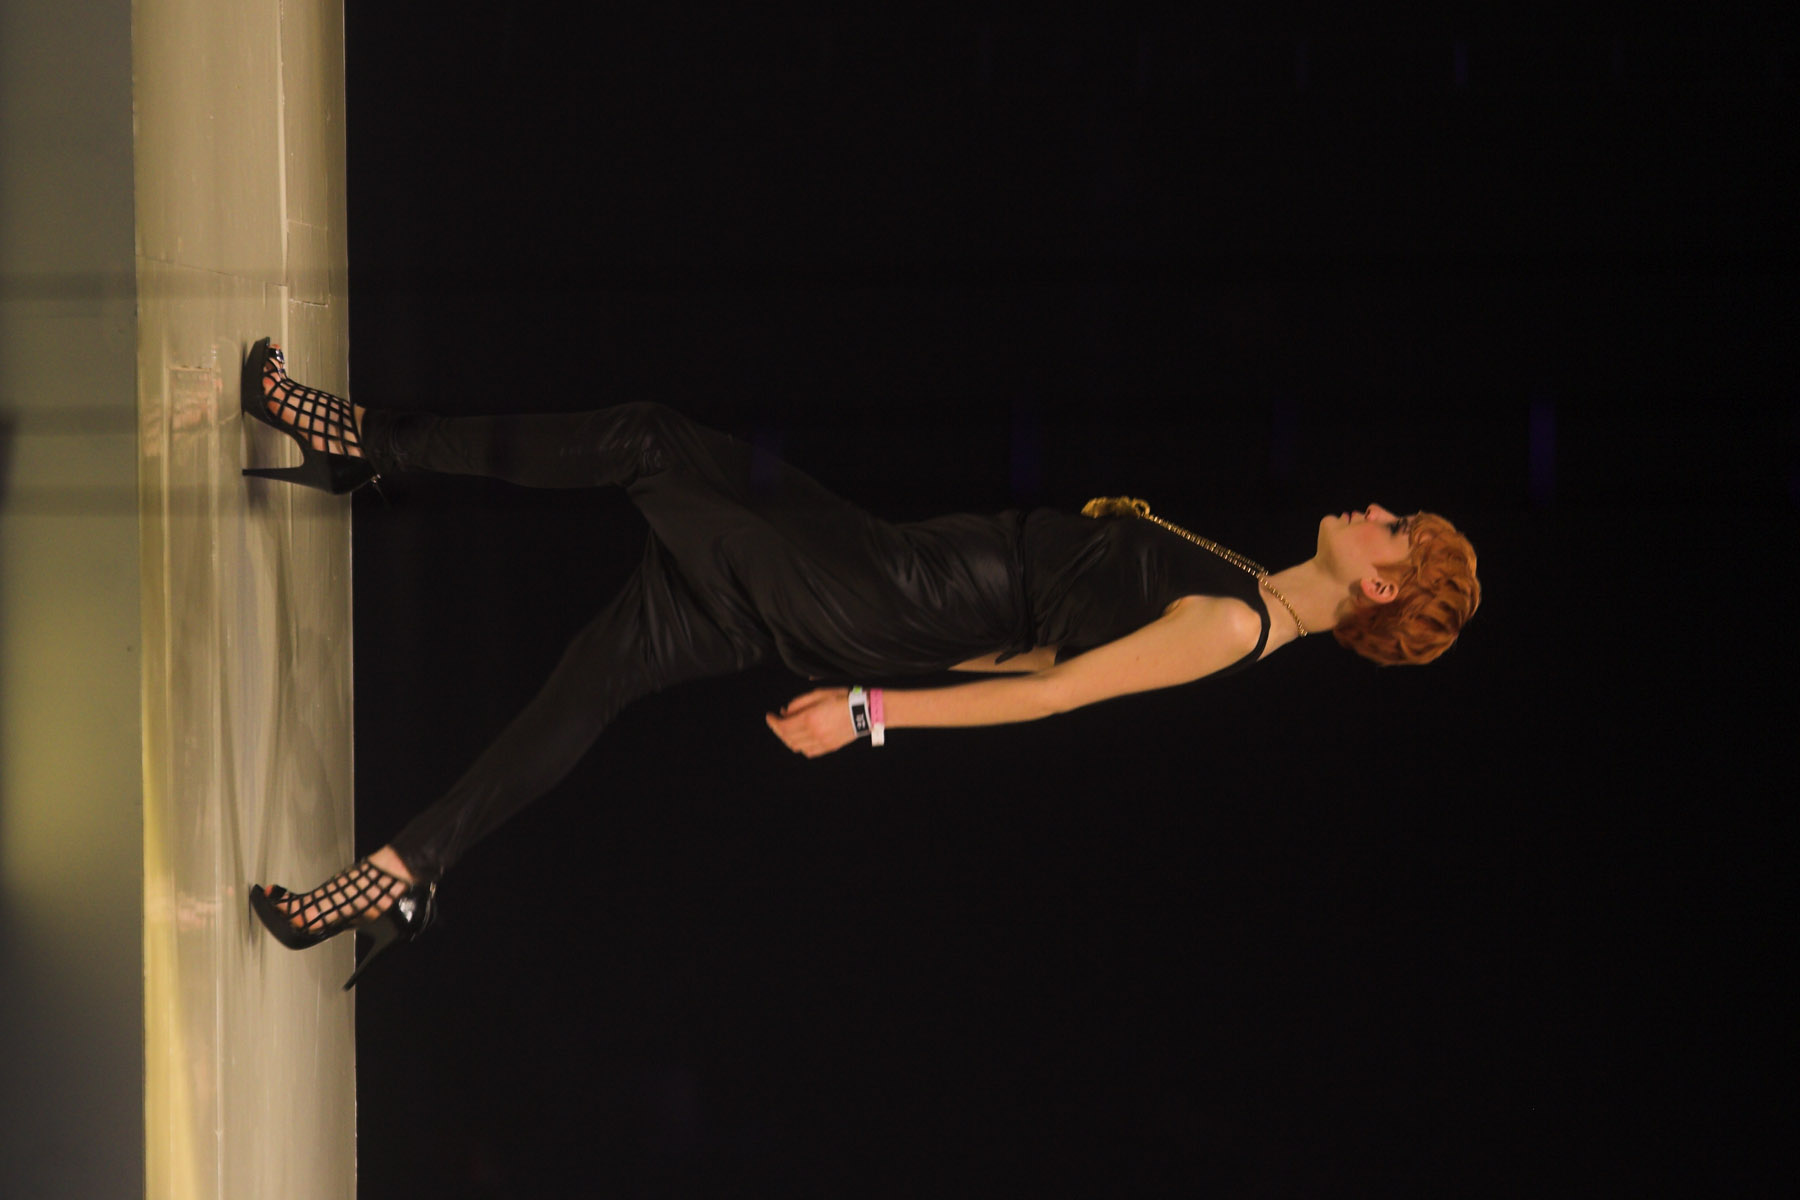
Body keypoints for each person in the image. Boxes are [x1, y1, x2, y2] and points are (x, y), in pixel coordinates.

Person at [239, 339, 1482, 988]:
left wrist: (868, 708)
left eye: (1396, 528)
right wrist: (881, 642)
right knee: (604, 665)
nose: (1377, 511)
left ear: (1381, 584)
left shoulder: (1236, 627)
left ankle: (365, 440)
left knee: (646, 441)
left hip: (883, 599)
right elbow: (1038, 640)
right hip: (882, 572)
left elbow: (1053, 694)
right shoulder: (1247, 585)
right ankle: (403, 875)